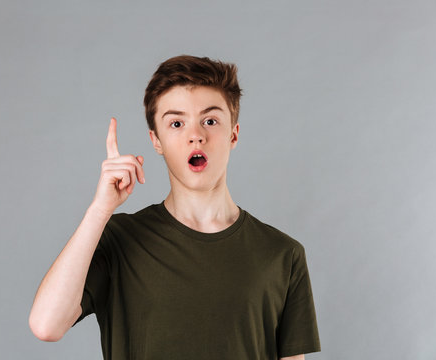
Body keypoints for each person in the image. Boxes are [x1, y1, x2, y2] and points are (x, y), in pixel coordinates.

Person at [29, 55, 321, 360]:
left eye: (210, 120)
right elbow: (46, 325)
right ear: (157, 141)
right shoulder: (119, 239)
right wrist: (100, 210)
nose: (196, 135)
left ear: (233, 133)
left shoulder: (283, 255)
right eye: (176, 123)